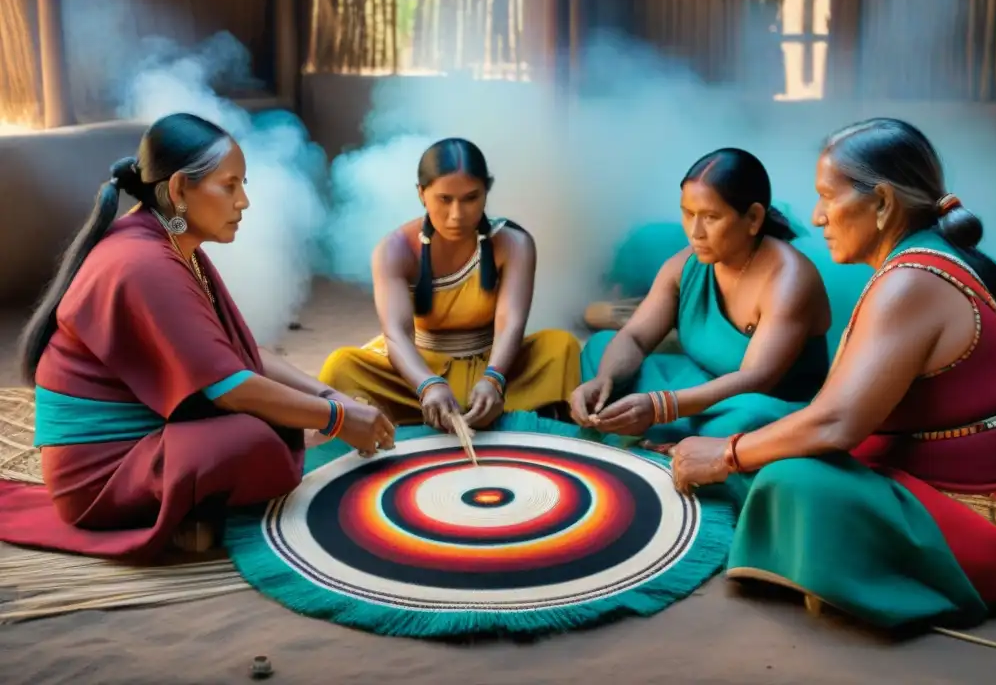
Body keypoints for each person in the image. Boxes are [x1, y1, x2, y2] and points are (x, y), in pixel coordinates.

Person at [671, 119, 996, 629]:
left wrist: (724, 456)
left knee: (790, 479)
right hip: (912, 465)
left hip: (979, 521)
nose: (815, 217)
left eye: (827, 198)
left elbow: (837, 425)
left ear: (881, 203)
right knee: (758, 415)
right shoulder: (916, 262)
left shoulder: (913, 280)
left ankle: (843, 565)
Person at [0, 113, 394, 560]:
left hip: (139, 445)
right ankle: (186, 509)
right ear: (179, 190)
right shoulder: (143, 263)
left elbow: (239, 356)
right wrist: (335, 418)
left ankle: (197, 502)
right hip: (100, 475)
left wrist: (329, 397)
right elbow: (231, 387)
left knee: (278, 415)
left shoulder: (170, 245)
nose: (244, 201)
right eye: (229, 186)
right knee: (256, 436)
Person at [570, 148, 832, 459]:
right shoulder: (685, 266)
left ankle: (662, 438)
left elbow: (757, 378)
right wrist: (605, 380)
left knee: (748, 421)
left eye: (710, 217)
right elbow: (635, 337)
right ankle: (666, 437)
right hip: (695, 385)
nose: (695, 232)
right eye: (688, 213)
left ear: (753, 218)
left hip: (757, 403)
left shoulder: (789, 278)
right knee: (602, 348)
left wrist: (661, 407)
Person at [319, 137, 581, 432]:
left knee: (561, 347)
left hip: (495, 364)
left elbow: (511, 323)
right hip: (418, 370)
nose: (457, 214)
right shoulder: (395, 249)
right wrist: (427, 385)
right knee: (342, 366)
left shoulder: (514, 243)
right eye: (445, 199)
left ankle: (489, 404)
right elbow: (396, 336)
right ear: (422, 193)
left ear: (486, 192)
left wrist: (494, 378)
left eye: (471, 198)